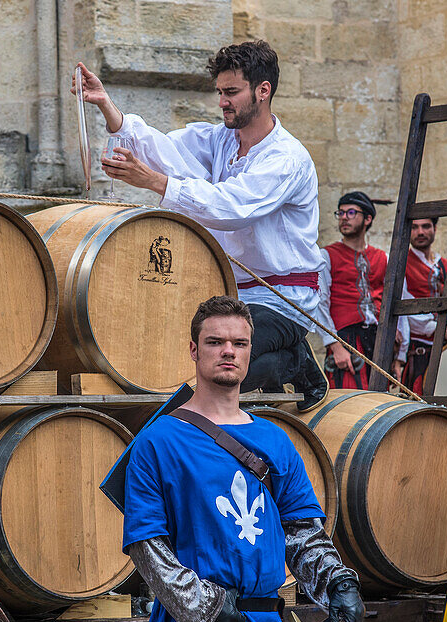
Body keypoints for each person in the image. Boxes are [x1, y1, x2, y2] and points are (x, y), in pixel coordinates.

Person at [123, 296, 364, 622]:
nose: (228, 351)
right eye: (215, 342)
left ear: (251, 352)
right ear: (195, 350)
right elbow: (146, 544)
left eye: (239, 343)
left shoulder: (275, 440)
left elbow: (301, 531)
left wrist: (335, 582)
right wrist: (203, 607)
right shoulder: (158, 441)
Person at [73, 41, 329, 412]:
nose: (222, 101)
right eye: (220, 93)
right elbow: (165, 151)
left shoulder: (286, 159)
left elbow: (231, 206)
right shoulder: (220, 139)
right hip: (227, 294)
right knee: (181, 356)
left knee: (224, 371)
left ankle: (296, 362)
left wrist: (155, 182)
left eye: (231, 92)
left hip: (282, 301)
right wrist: (108, 107)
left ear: (263, 90)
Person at [319, 191, 408, 389]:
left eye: (351, 213)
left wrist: (399, 356)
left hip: (378, 340)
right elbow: (320, 303)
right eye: (340, 213)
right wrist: (334, 346)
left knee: (379, 403)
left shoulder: (382, 258)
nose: (344, 218)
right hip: (346, 339)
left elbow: (397, 302)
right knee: (348, 402)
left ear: (368, 218)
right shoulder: (326, 256)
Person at [400, 217, 447, 394]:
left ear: (435, 229)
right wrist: (439, 329)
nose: (420, 232)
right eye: (415, 227)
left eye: (426, 226)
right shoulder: (401, 264)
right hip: (421, 349)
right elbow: (404, 308)